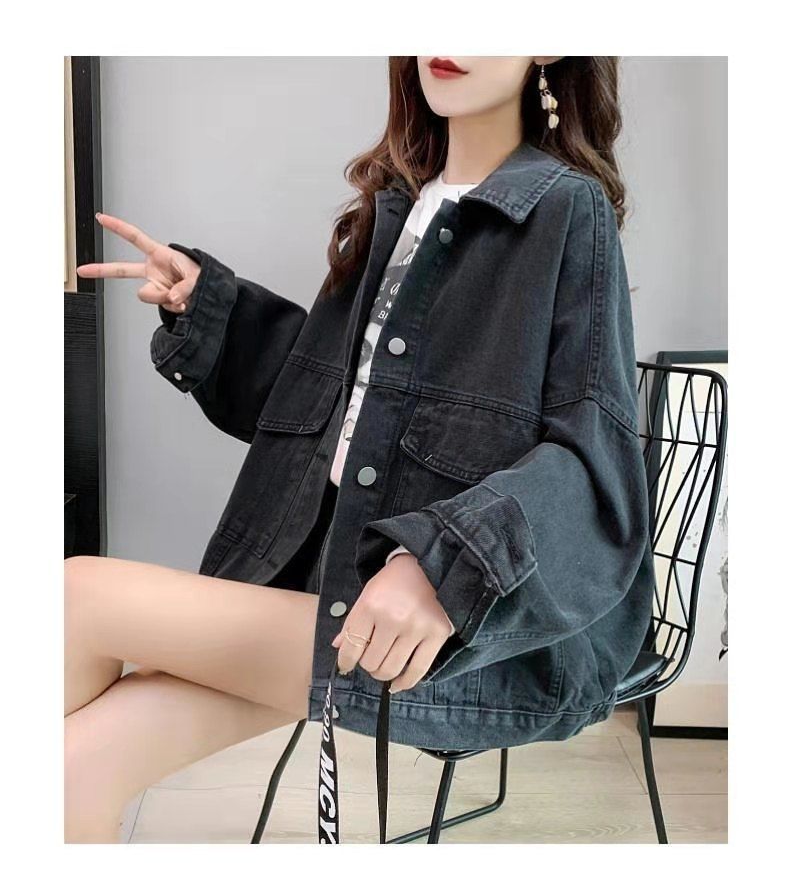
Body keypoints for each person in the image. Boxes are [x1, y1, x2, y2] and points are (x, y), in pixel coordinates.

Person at [67, 56, 655, 844]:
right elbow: (327, 405)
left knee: (72, 596)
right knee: (67, 770)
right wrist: (206, 305)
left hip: (467, 629)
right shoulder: (397, 208)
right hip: (328, 593)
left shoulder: (564, 210)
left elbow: (594, 460)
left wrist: (441, 564)